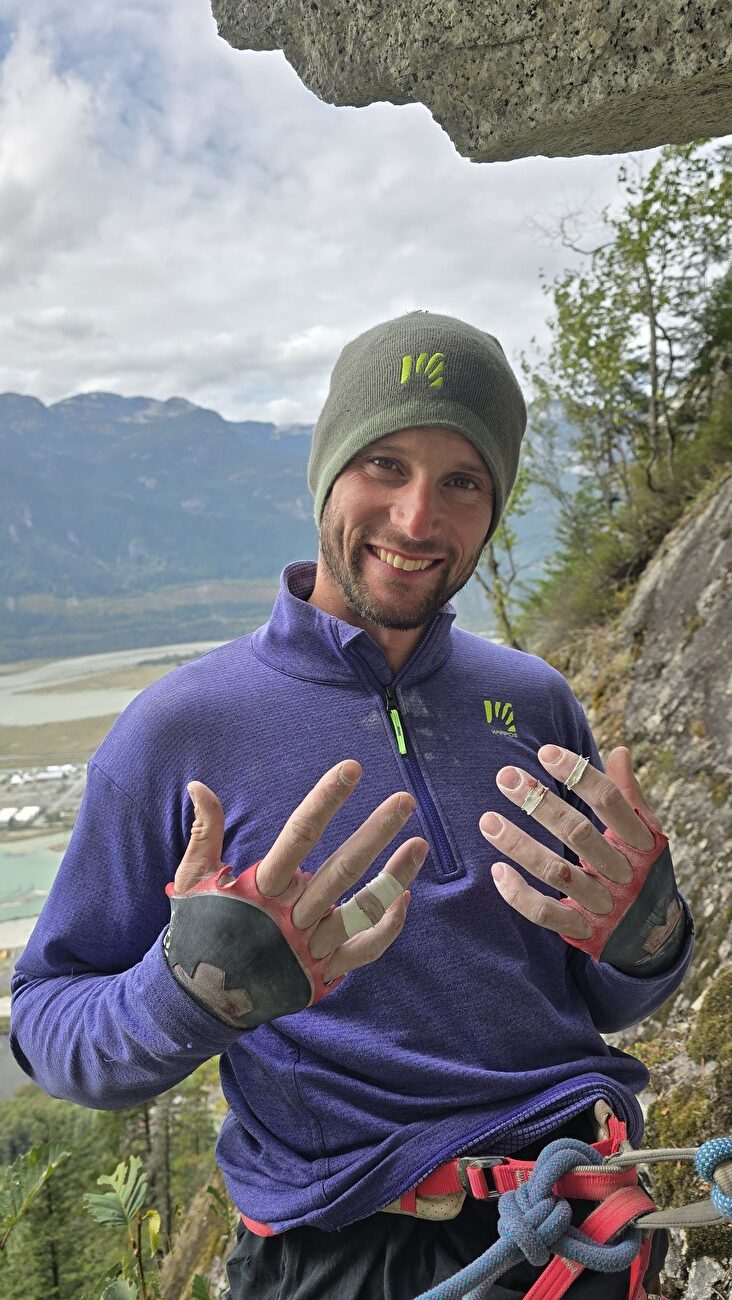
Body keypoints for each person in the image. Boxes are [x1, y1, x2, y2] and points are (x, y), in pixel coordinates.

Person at [10, 311, 693, 1299]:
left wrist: (646, 940)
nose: (417, 520)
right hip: (343, 1249)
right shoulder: (180, 730)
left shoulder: (535, 702)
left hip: (575, 1217)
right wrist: (190, 991)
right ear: (326, 472)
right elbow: (47, 1024)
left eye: (463, 481)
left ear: (494, 505)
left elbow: (598, 999)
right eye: (385, 465)